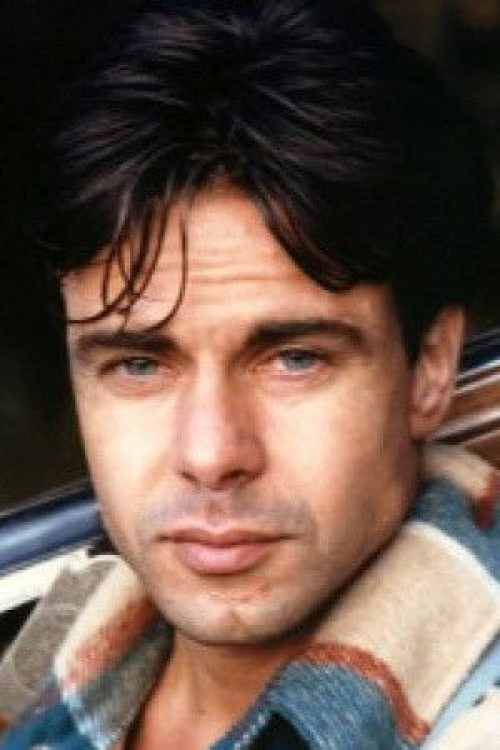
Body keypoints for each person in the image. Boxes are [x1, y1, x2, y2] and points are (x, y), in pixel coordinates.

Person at [1, 1, 499, 748]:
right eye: (138, 364)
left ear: (429, 367)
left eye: (294, 359)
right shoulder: (51, 645)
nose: (210, 454)